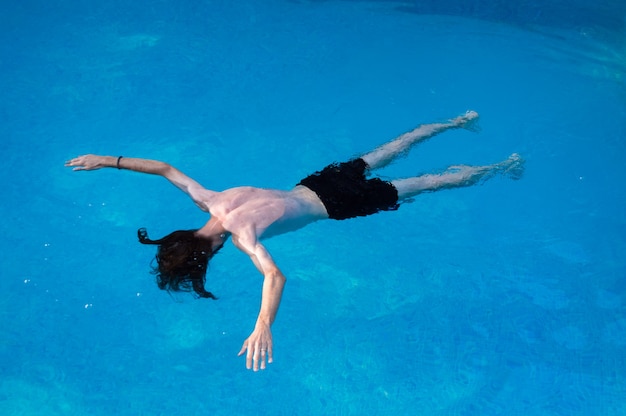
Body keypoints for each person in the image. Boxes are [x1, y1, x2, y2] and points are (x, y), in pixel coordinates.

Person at [65, 110, 524, 371]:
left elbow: (276, 275)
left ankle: (502, 166)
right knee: (388, 149)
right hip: (314, 185)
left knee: (425, 184)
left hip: (334, 207)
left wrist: (264, 323)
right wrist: (106, 159)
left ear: (208, 253)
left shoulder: (242, 237)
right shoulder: (210, 200)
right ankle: (457, 122)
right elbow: (165, 168)